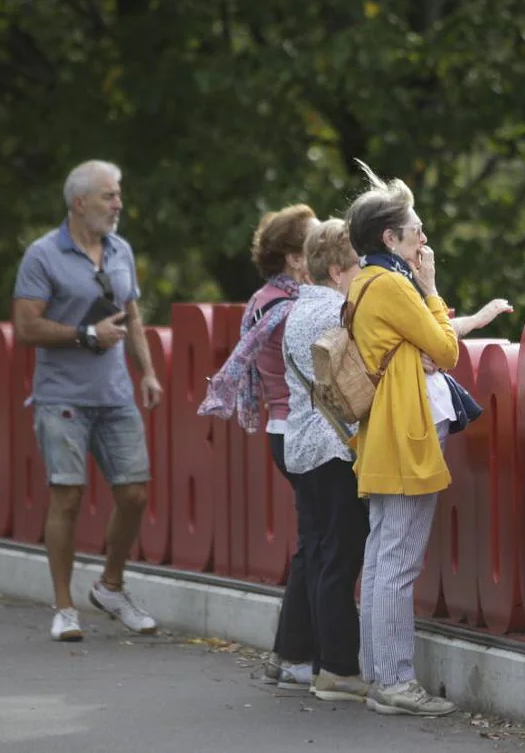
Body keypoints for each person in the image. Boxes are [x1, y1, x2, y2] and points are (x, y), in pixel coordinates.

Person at [344, 162, 510, 716]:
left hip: (384, 431)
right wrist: (434, 289)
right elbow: (445, 351)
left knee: (381, 554)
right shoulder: (392, 284)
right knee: (398, 560)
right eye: (416, 231)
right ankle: (394, 683)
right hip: (406, 430)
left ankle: (378, 676)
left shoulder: (366, 281)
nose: (423, 239)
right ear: (391, 237)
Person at [12, 159, 164, 642]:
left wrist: (149, 373)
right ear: (79, 203)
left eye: (117, 195)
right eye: (108, 195)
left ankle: (111, 587)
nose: (118, 204)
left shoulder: (121, 249)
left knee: (135, 492)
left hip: (116, 394)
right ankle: (64, 607)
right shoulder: (42, 255)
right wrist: (84, 334)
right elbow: (25, 326)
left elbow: (132, 316)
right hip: (62, 398)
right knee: (69, 497)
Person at [197, 204, 317, 691]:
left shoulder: (263, 299)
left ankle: (292, 654)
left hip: (282, 431)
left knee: (316, 542)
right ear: (293, 257)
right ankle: (293, 655)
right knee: (318, 546)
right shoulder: (292, 309)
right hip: (300, 431)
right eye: (314, 242)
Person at [279, 218, 371, 701]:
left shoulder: (299, 309)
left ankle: (319, 662)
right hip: (335, 450)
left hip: (303, 448)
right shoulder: (338, 313)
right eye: (361, 264)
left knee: (318, 555)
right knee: (341, 557)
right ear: (338, 270)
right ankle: (337, 667)